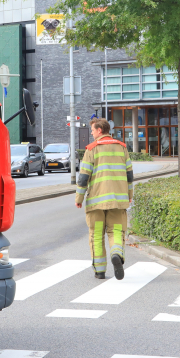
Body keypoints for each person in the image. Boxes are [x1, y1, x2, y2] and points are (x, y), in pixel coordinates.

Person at [76, 118, 134, 280]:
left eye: (93, 130)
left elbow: (83, 177)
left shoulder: (92, 149)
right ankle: (116, 253)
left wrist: (79, 198)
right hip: (117, 202)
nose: (92, 133)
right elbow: (129, 176)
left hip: (97, 203)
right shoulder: (122, 148)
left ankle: (100, 271)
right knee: (116, 231)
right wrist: (129, 196)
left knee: (96, 234)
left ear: (100, 130)